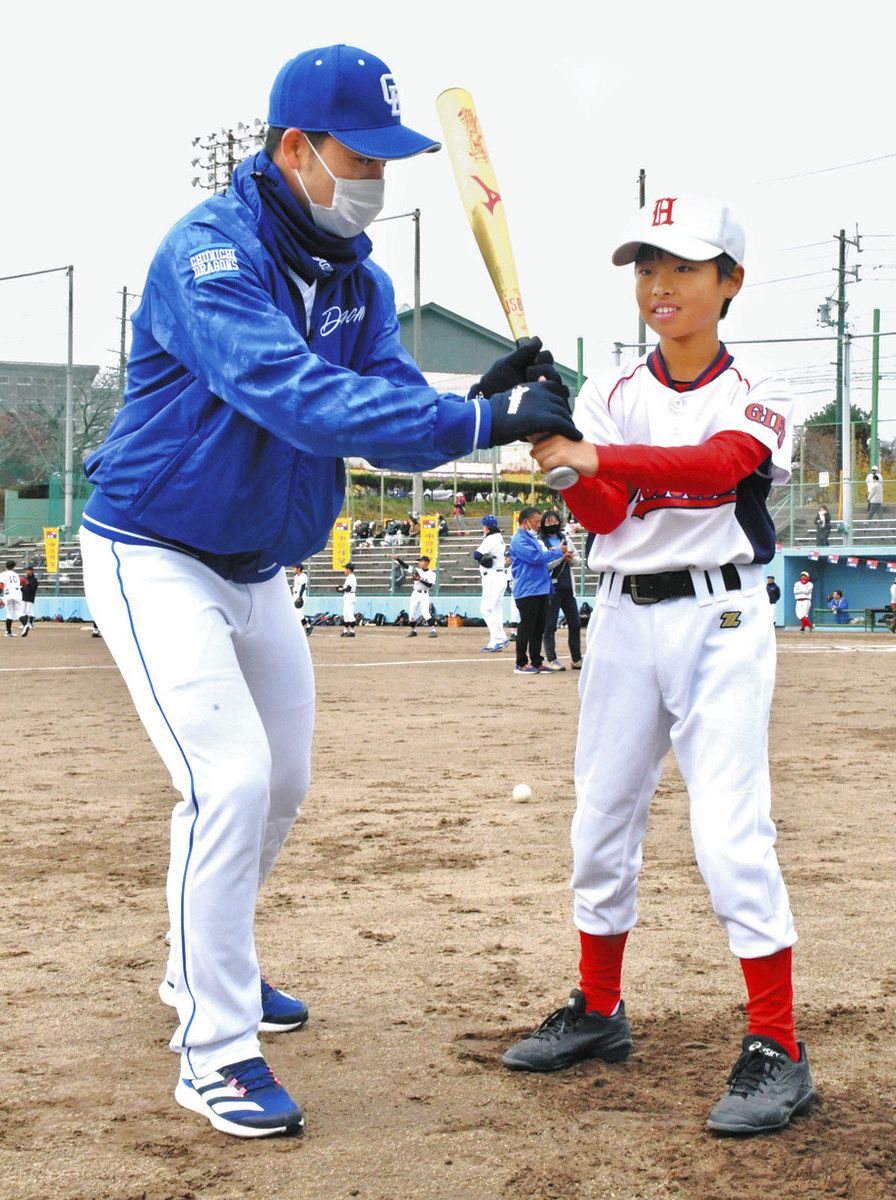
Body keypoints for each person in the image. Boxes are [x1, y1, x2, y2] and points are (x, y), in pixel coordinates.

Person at [76, 42, 580, 1141]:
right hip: (151, 549)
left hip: (259, 565)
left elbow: (389, 397)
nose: (379, 182)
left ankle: (206, 963)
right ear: (294, 148)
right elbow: (298, 400)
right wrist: (489, 423)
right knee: (230, 780)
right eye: (360, 158)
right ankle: (212, 1051)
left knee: (283, 784)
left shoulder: (359, 279)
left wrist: (482, 396)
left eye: (390, 163)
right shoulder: (210, 251)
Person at [522, 194, 815, 1135]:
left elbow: (719, 469)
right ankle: (599, 1010)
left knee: (730, 832)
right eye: (647, 267)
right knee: (601, 818)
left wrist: (595, 451)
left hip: (722, 617)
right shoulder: (611, 390)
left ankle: (778, 1043)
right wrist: (560, 457)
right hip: (621, 619)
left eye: (685, 268)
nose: (660, 285)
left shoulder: (759, 390)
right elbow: (611, 516)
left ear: (730, 281)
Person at [508, 506, 569, 674]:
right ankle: (521, 663)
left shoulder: (531, 538)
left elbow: (540, 556)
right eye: (535, 521)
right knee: (527, 626)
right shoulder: (519, 540)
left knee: (538, 627)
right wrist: (557, 552)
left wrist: (553, 552)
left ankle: (536, 660)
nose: (538, 525)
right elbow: (535, 558)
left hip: (540, 588)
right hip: (527, 589)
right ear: (525, 521)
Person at [539, 508, 583, 671]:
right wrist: (560, 557)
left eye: (554, 521)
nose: (552, 524)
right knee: (550, 625)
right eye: (548, 521)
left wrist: (571, 559)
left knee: (575, 623)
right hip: (551, 588)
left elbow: (578, 560)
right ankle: (551, 658)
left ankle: (576, 659)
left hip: (567, 588)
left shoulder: (565, 538)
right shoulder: (541, 542)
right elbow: (544, 565)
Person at [473, 514, 508, 651]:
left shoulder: (491, 538)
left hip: (493, 577)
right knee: (496, 610)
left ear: (486, 527)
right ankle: (495, 641)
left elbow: (476, 554)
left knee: (486, 609)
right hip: (498, 575)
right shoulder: (498, 537)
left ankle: (500, 638)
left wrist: (482, 558)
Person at [397, 554, 437, 637]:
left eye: (421, 561)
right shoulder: (417, 570)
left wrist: (420, 579)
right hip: (415, 594)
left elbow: (429, 585)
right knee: (411, 615)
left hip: (424, 595)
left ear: (426, 562)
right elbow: (405, 566)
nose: (419, 562)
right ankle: (413, 631)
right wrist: (397, 558)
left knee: (426, 613)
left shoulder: (432, 574)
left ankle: (433, 630)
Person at [0, 560, 24, 637]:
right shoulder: (16, 575)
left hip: (8, 593)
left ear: (5, 566)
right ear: (14, 567)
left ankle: (9, 632)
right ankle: (25, 624)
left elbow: (1, 586)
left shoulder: (2, 574)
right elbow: (22, 583)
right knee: (19, 611)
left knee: (9, 613)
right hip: (17, 593)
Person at [292, 563, 311, 635]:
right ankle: (307, 626)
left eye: (295, 568)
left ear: (299, 569)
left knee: (298, 613)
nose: (293, 569)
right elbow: (294, 586)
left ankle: (307, 626)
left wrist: (300, 597)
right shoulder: (295, 576)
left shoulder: (303, 576)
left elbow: (303, 587)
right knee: (295, 613)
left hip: (301, 596)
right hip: (294, 595)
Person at [19, 565, 39, 636]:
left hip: (30, 597)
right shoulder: (25, 578)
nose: (26, 571)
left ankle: (30, 623)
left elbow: (33, 589)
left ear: (31, 571)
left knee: (29, 611)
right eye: (25, 570)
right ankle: (25, 624)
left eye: (27, 570)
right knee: (23, 611)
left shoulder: (34, 579)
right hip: (24, 596)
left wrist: (26, 587)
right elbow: (22, 588)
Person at [340, 561, 358, 637]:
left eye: (346, 568)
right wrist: (341, 588)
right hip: (347, 596)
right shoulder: (349, 577)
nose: (345, 570)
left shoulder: (351, 577)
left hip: (350, 596)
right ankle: (345, 630)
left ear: (349, 570)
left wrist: (342, 589)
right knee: (345, 614)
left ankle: (352, 631)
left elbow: (348, 588)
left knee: (350, 614)